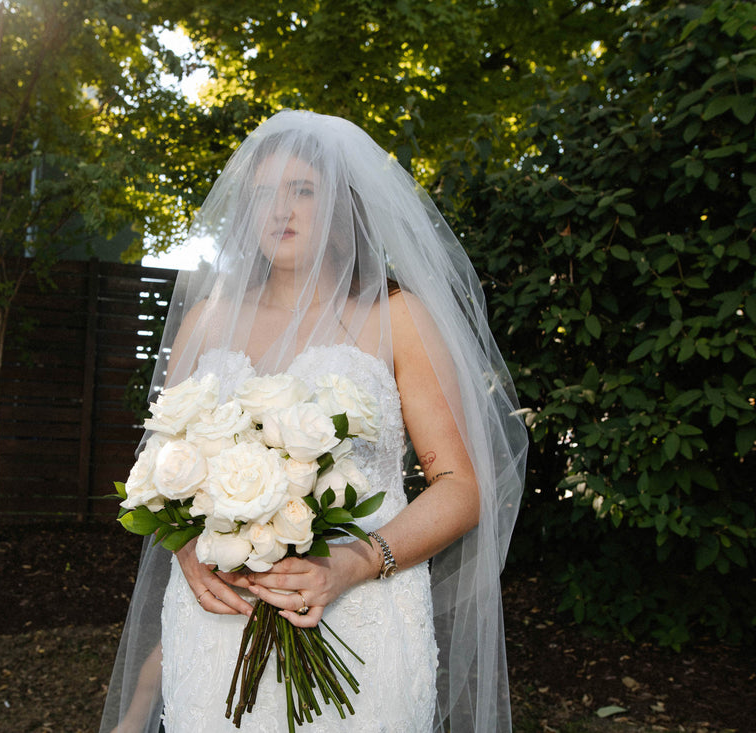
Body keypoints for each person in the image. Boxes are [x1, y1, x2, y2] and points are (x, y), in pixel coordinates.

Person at [101, 110, 527, 732]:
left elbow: (462, 487)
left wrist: (355, 561)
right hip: (219, 619)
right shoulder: (207, 323)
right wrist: (191, 548)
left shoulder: (397, 318)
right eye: (263, 194)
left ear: (341, 206)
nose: (280, 209)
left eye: (301, 189)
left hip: (362, 618)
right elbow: (164, 472)